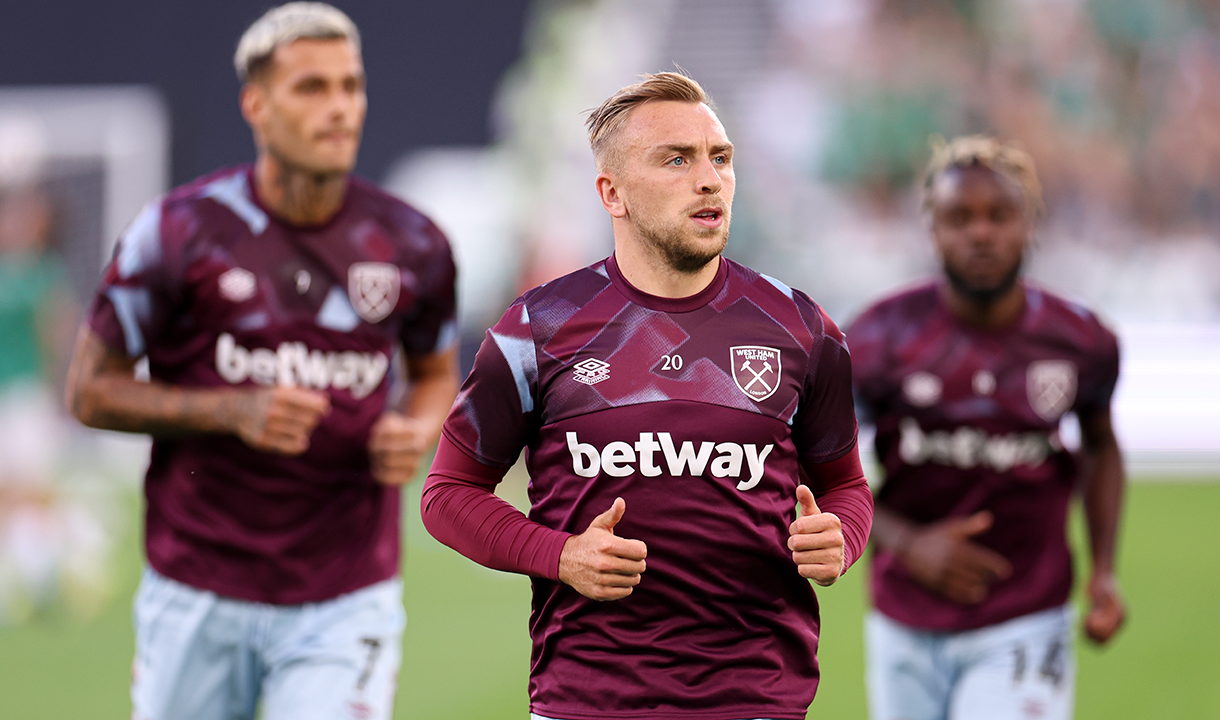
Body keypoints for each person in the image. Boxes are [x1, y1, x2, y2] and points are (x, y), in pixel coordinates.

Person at [421, 71, 874, 720]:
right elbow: (447, 495)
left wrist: (840, 539)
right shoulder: (536, 330)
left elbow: (847, 489)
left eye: (721, 158)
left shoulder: (803, 327)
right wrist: (561, 555)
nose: (710, 178)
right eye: (677, 159)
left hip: (754, 699)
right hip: (587, 701)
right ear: (613, 193)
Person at [64, 4, 459, 719]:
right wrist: (229, 410)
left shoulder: (414, 244)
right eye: (312, 88)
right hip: (195, 587)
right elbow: (90, 391)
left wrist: (418, 427)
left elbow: (434, 374)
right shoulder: (176, 233)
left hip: (344, 596)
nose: (339, 108)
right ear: (257, 104)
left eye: (351, 86)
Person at [846, 135, 1127, 720]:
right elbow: (818, 466)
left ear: (1031, 224)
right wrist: (907, 542)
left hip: (1027, 615)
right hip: (903, 615)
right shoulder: (878, 339)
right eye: (959, 217)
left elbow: (1101, 447)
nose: (980, 233)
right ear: (934, 230)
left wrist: (1103, 570)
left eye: (999, 215)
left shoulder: (1081, 341)